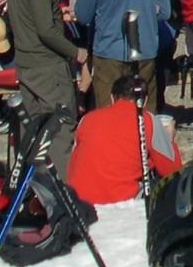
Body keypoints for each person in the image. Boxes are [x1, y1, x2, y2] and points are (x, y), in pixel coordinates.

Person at [6, 0, 86, 174]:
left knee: (34, 133)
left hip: (26, 63)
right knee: (61, 130)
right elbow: (46, 30)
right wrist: (77, 52)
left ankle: (36, 192)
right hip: (47, 65)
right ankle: (65, 195)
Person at [66, 74, 183, 205]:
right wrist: (169, 138)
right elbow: (173, 171)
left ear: (112, 98)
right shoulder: (147, 120)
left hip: (80, 202)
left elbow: (72, 164)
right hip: (123, 203)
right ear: (144, 101)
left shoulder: (86, 119)